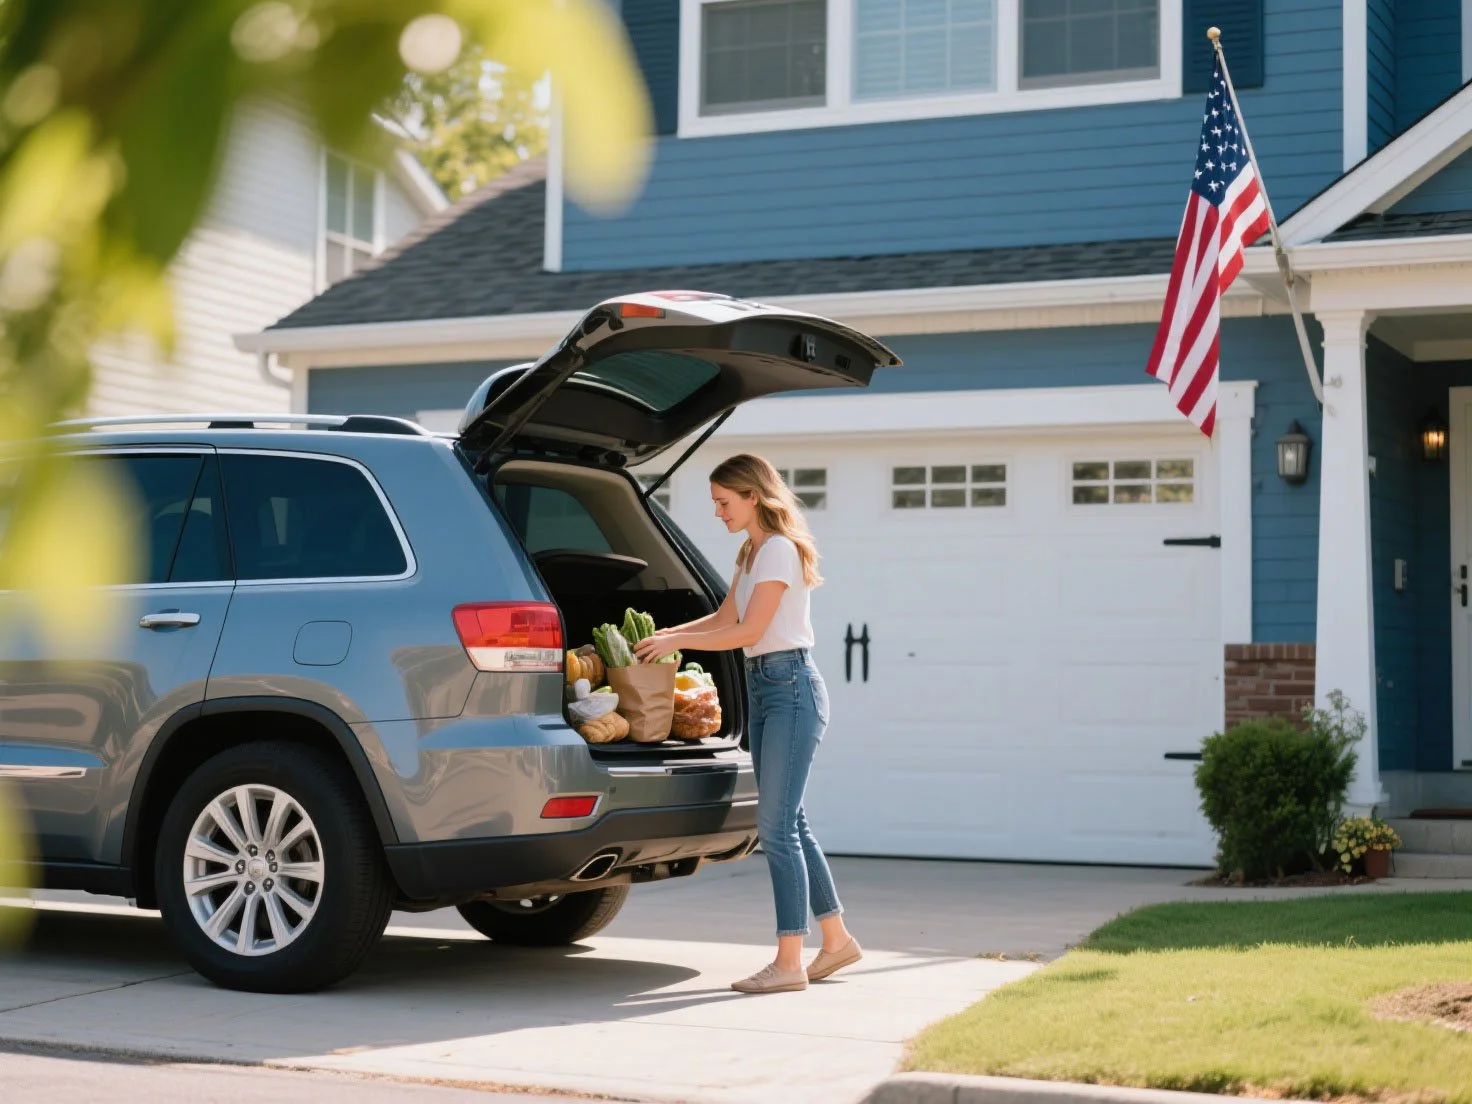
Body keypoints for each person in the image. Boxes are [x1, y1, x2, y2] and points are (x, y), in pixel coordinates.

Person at [633, 454, 860, 994]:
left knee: (775, 829)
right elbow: (724, 618)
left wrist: (677, 641)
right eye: (715, 502)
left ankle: (788, 962)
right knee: (792, 822)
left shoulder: (779, 549)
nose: (717, 511)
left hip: (791, 690)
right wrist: (667, 634)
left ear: (753, 496)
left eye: (724, 501)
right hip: (765, 687)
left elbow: (749, 629)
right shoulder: (751, 551)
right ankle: (836, 941)